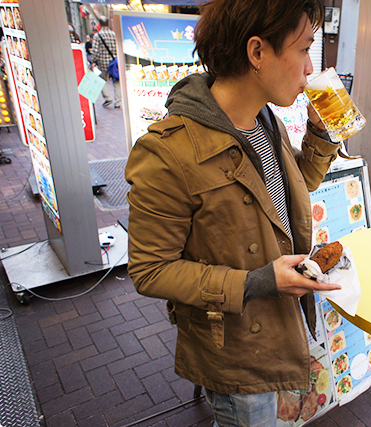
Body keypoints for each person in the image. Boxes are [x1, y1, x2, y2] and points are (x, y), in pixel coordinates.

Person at [125, 1, 340, 425]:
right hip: (235, 351)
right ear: (257, 52)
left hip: (279, 328)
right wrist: (259, 281)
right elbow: (150, 270)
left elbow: (296, 187)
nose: (310, 68)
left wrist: (322, 128)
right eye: (303, 49)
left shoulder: (264, 121)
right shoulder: (168, 151)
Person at [91, 17, 121, 108]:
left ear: (99, 24)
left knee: (101, 80)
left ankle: (108, 97)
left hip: (102, 62)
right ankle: (118, 102)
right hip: (114, 62)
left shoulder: (98, 36)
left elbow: (95, 50)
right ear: (108, 23)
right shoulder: (114, 34)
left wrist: (94, 60)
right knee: (116, 82)